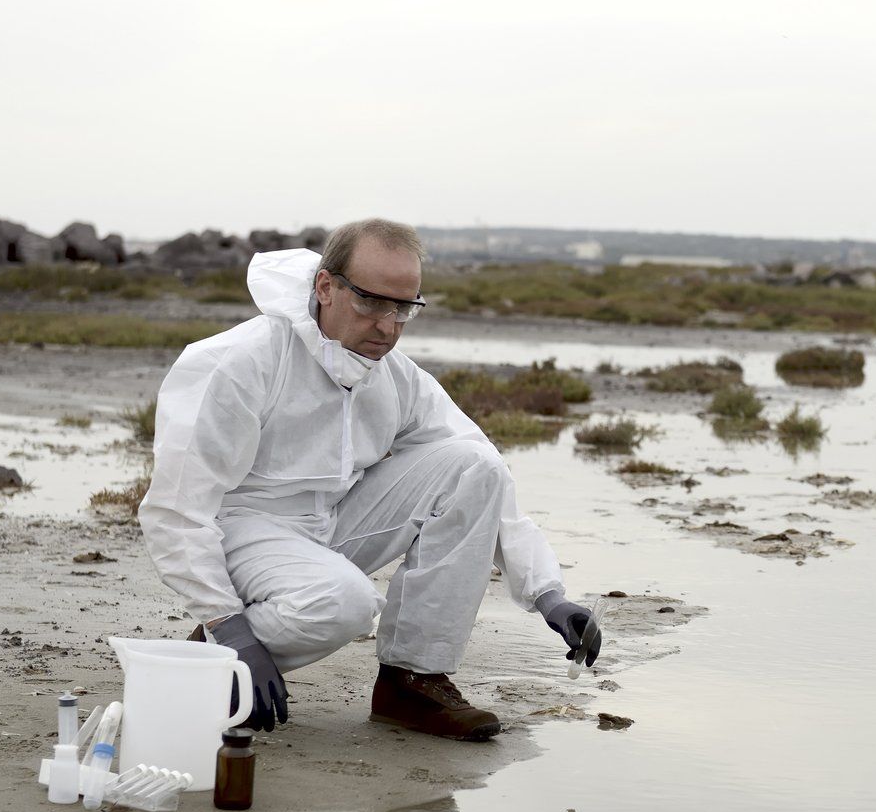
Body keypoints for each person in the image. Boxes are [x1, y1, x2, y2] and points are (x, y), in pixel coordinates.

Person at [139, 218, 600, 740]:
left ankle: (412, 681)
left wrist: (547, 593)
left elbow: (481, 467)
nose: (388, 326)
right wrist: (226, 622)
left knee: (475, 465)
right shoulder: (240, 361)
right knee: (347, 602)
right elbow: (176, 511)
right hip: (243, 530)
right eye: (372, 303)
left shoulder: (396, 375)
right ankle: (201, 664)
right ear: (326, 287)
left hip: (331, 524)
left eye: (404, 307)